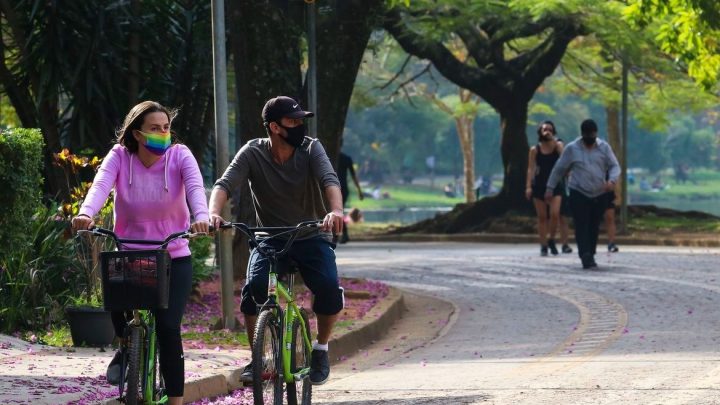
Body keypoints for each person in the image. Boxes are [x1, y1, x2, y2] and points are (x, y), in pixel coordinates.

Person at [71, 101, 210, 405]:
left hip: (173, 255)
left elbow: (196, 189)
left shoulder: (179, 155)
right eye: (155, 128)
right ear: (136, 133)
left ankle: (175, 400)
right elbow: (100, 186)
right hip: (130, 255)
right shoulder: (120, 157)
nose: (163, 133)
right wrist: (86, 213)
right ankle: (126, 344)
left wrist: (201, 216)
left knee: (168, 329)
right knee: (116, 304)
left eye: (166, 127)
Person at [208, 96, 344, 386]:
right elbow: (225, 184)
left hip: (310, 235)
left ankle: (320, 349)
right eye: (292, 121)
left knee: (328, 289)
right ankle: (257, 358)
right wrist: (213, 214)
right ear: (274, 127)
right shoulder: (252, 152)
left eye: (300, 121)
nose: (299, 126)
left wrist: (336, 211)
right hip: (269, 237)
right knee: (254, 290)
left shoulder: (310, 147)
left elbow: (329, 180)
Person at [546, 119, 620, 269]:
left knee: (593, 225)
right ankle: (584, 254)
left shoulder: (604, 148)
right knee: (581, 224)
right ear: (582, 134)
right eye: (587, 135)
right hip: (578, 191)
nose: (589, 138)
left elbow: (615, 166)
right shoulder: (572, 149)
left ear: (596, 134)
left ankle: (590, 253)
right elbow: (558, 169)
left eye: (592, 135)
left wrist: (612, 181)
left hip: (599, 193)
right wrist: (550, 188)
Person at [525, 120, 565, 256]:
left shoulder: (558, 145)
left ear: (553, 131)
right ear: (540, 132)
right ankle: (543, 245)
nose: (547, 131)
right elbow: (530, 168)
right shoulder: (534, 149)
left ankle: (551, 238)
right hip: (539, 184)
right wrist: (528, 186)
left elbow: (565, 160)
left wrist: (555, 144)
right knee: (542, 217)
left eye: (550, 129)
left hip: (555, 184)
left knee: (555, 214)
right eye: (544, 129)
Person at [337, 142, 364, 244]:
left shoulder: (342, 158)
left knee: (337, 211)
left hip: (341, 189)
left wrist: (359, 191)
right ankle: (339, 234)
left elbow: (353, 176)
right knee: (336, 211)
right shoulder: (329, 158)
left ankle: (343, 234)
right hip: (337, 189)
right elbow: (354, 176)